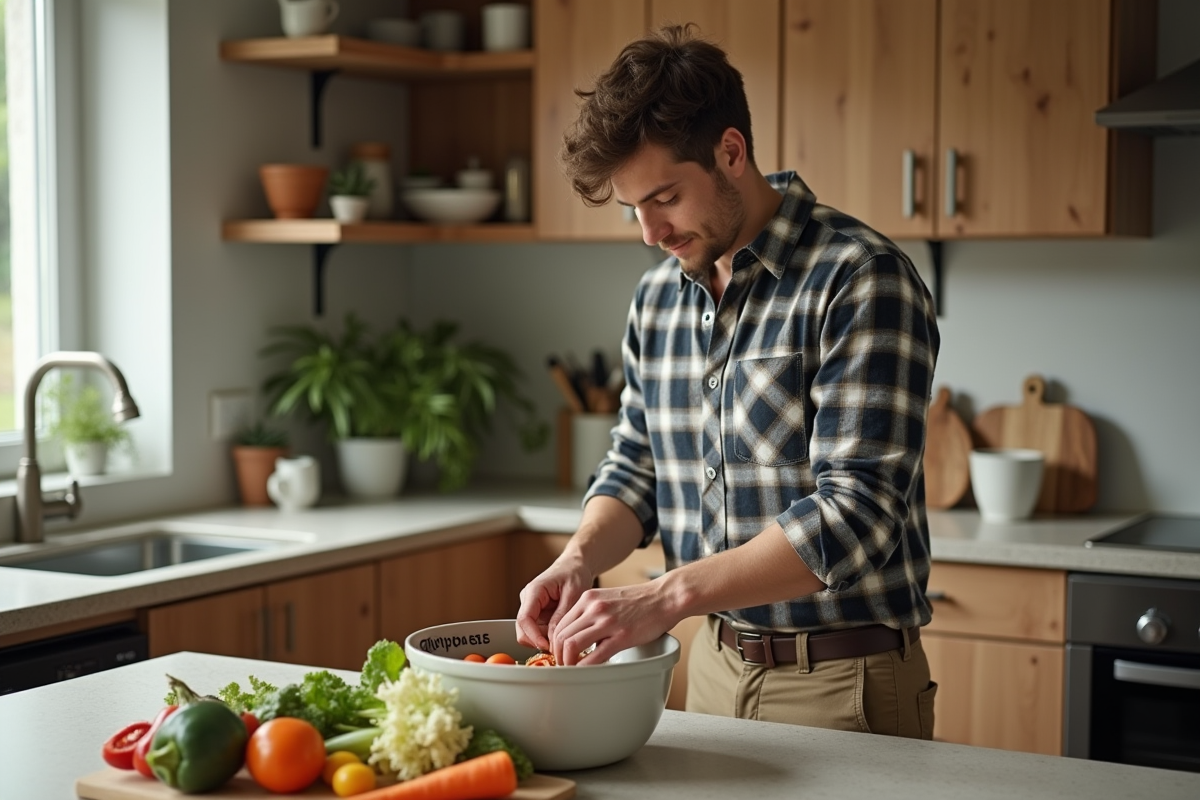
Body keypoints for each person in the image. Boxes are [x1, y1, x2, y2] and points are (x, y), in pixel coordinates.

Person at [516, 25, 941, 738]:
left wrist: (665, 596)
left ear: (731, 152)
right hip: (709, 667)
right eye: (632, 209)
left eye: (665, 198)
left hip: (841, 682)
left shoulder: (860, 279)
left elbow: (858, 513)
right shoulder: (658, 298)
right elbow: (637, 466)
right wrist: (577, 559)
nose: (650, 233)